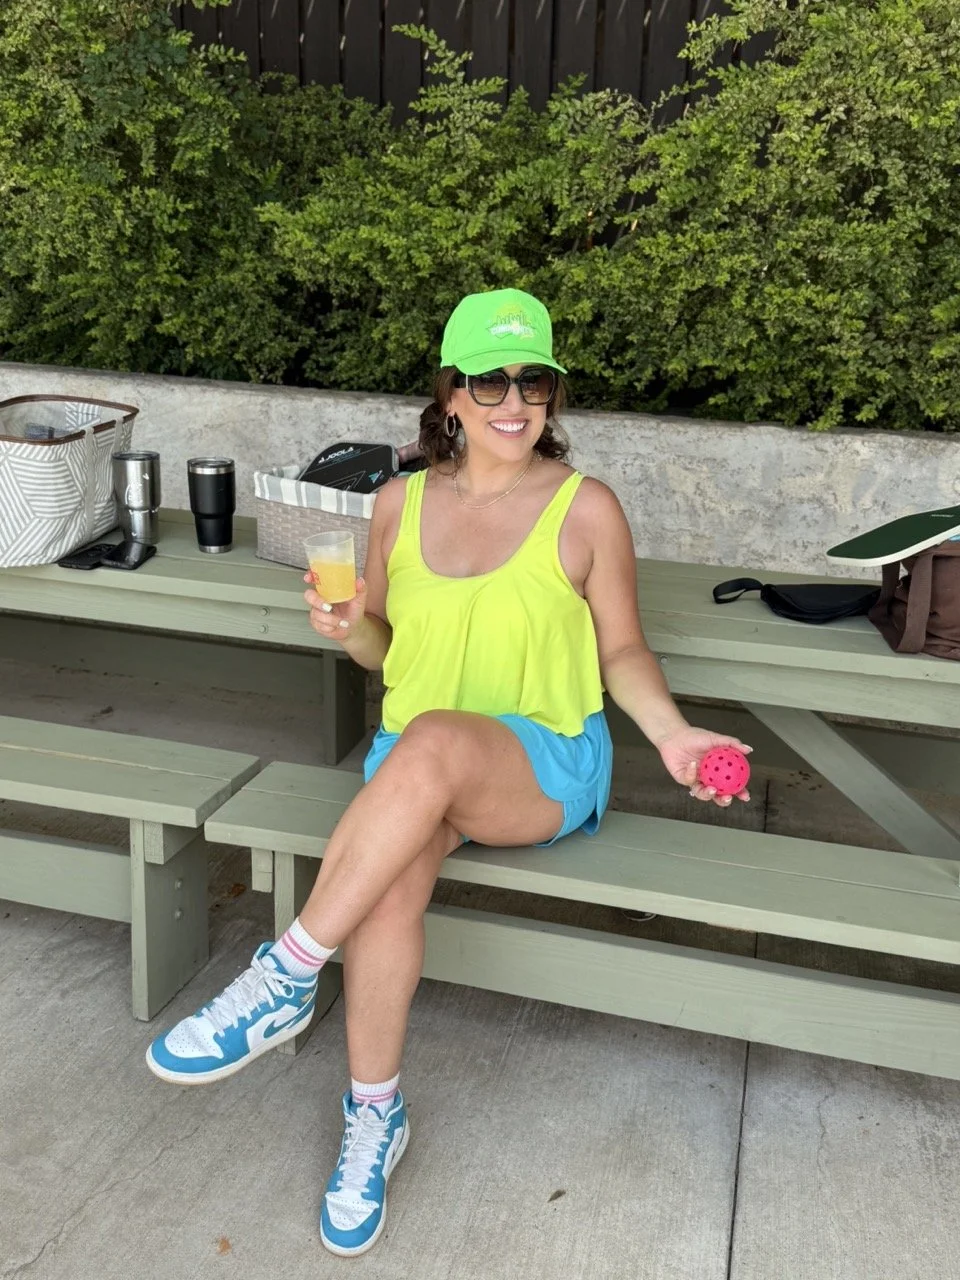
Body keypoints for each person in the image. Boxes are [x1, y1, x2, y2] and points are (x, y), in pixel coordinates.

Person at [145, 288, 751, 1257]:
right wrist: (349, 628)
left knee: (426, 745)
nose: (515, 401)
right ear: (452, 392)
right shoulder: (397, 501)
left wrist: (673, 734)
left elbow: (625, 652)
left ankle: (285, 971)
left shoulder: (586, 507)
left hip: (542, 757)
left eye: (535, 380)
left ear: (553, 394)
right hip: (417, 763)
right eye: (491, 379)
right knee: (386, 886)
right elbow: (384, 648)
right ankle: (375, 1114)